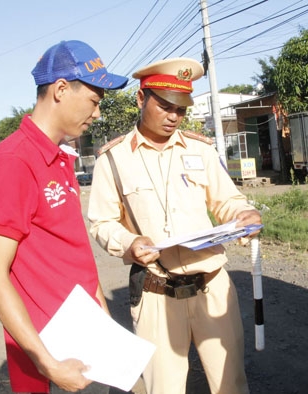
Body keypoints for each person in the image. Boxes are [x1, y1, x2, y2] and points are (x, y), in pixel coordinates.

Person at [87, 57, 262, 394]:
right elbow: (102, 222)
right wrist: (129, 242)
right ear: (141, 99)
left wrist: (243, 214)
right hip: (156, 292)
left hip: (212, 288)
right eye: (165, 106)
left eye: (181, 109)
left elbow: (227, 200)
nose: (173, 117)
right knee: (163, 388)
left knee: (231, 385)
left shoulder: (201, 150)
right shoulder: (114, 159)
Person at [0, 40, 128, 394]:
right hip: (57, 361)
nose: (97, 114)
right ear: (61, 89)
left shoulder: (60, 160)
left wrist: (106, 329)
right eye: (94, 101)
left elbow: (74, 257)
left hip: (88, 345)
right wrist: (48, 364)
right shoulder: (13, 162)